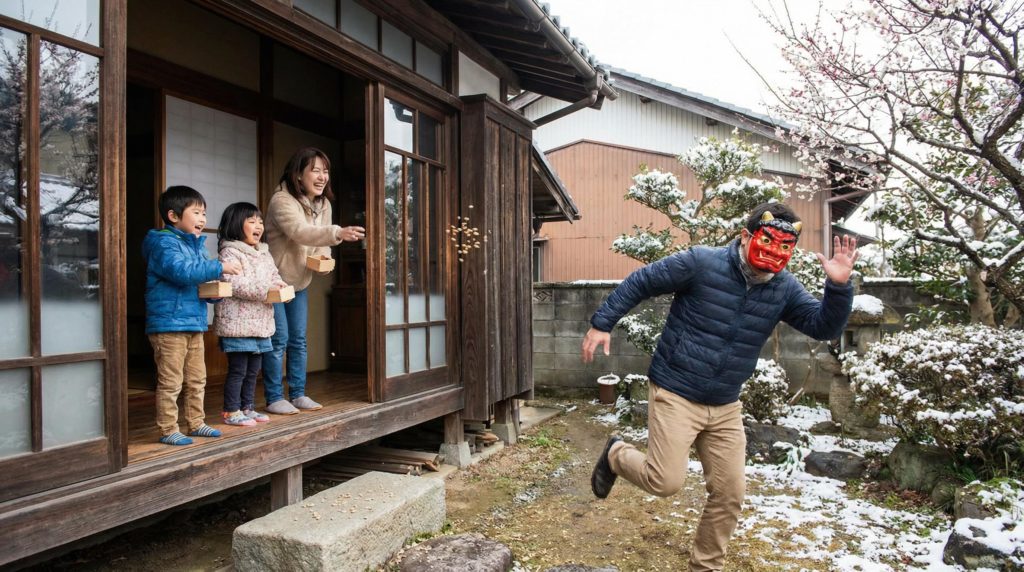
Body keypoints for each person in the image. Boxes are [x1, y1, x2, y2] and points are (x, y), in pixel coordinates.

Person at [582, 202, 858, 572]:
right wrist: (603, 322)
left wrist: (838, 287)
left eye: (784, 248)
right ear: (746, 236)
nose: (775, 254)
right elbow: (643, 281)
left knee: (730, 494)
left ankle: (705, 566)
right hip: (677, 390)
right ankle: (617, 454)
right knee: (664, 482)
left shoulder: (783, 288)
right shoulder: (700, 263)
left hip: (726, 403)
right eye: (767, 242)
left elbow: (823, 327)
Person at [262, 148, 365, 415]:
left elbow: (320, 243)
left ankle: (297, 394)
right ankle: (274, 397)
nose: (322, 177)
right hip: (274, 281)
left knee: (299, 339)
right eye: (315, 170)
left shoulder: (324, 204)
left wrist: (324, 260)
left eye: (325, 171)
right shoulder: (281, 200)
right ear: (298, 175)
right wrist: (337, 233)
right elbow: (301, 232)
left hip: (299, 282)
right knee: (279, 339)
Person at [143, 186, 243, 446]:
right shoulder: (162, 242)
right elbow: (182, 272)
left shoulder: (197, 245)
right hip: (168, 324)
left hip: (194, 321)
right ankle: (168, 428)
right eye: (196, 212)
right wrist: (218, 266)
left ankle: (196, 423)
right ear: (174, 216)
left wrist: (215, 293)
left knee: (197, 378)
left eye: (204, 213)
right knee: (171, 380)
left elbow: (199, 280)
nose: (202, 219)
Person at [214, 202, 288, 427]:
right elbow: (234, 283)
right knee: (238, 370)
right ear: (237, 225)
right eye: (252, 221)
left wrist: (282, 287)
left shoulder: (264, 253)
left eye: (260, 221)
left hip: (261, 323)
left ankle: (247, 407)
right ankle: (231, 410)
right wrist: (267, 290)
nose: (258, 226)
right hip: (238, 324)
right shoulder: (229, 252)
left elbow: (274, 276)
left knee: (253, 371)